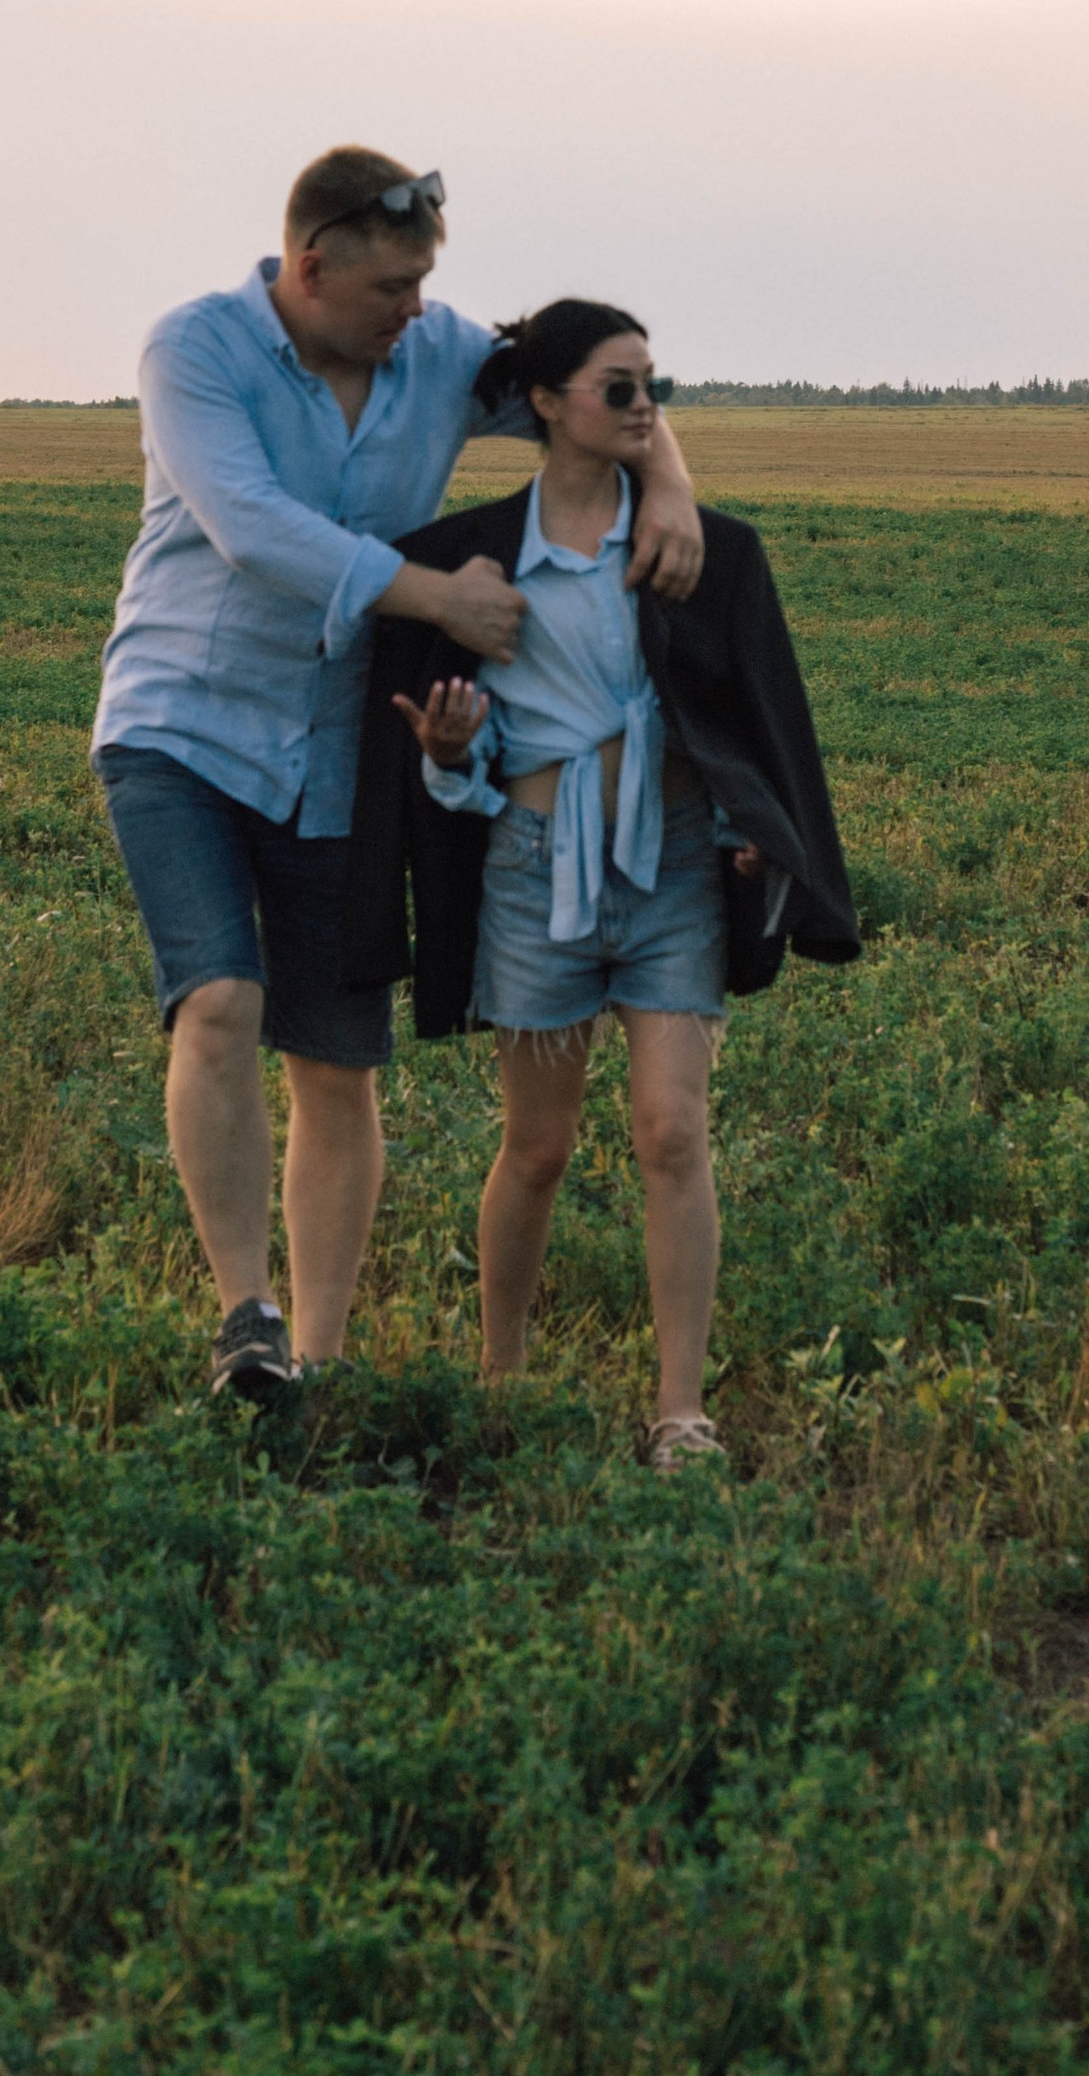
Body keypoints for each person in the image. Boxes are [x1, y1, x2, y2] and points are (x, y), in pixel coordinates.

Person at [90, 158, 706, 1404]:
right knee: (219, 1001)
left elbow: (584, 372)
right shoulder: (194, 351)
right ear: (311, 268)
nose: (420, 311)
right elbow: (253, 525)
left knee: (336, 1057)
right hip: (182, 722)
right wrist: (438, 598)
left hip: (335, 748)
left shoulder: (432, 350)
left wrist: (671, 480)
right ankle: (244, 1318)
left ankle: (312, 1360)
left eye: (428, 281)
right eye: (394, 285)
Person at [347, 300, 858, 1469]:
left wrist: (748, 831)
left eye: (653, 388)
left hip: (672, 867)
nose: (643, 408)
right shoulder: (463, 560)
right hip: (532, 875)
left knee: (673, 1132)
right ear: (544, 401)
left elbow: (751, 721)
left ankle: (681, 1410)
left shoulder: (702, 551)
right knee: (537, 1149)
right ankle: (503, 1379)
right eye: (619, 388)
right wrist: (447, 752)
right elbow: (442, 758)